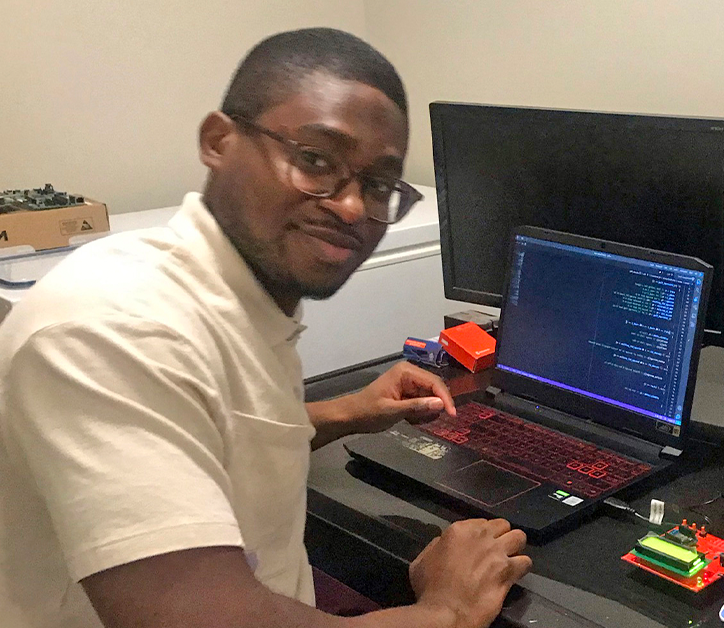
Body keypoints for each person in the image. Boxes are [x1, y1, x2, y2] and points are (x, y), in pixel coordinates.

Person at [0, 28, 531, 628]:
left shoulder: (236, 298)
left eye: (378, 184)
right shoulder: (111, 329)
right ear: (219, 140)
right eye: (316, 160)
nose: (352, 206)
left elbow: (206, 432)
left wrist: (348, 412)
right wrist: (448, 610)